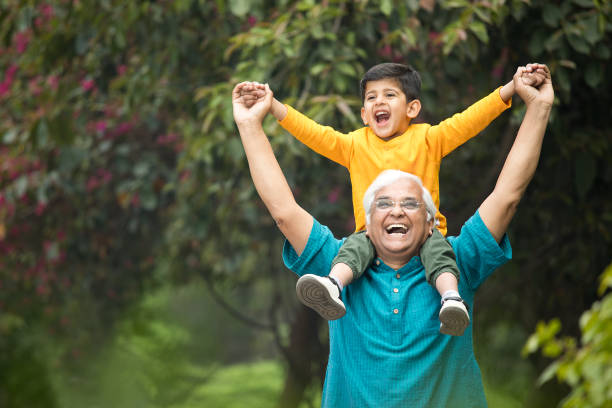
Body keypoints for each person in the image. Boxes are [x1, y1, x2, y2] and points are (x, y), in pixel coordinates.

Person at [232, 65, 553, 407]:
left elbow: (507, 196)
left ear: (430, 222)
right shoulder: (338, 261)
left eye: (410, 202)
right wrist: (251, 125)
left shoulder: (458, 263)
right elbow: (283, 210)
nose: (397, 210)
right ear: (367, 223)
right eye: (383, 202)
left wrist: (537, 107)